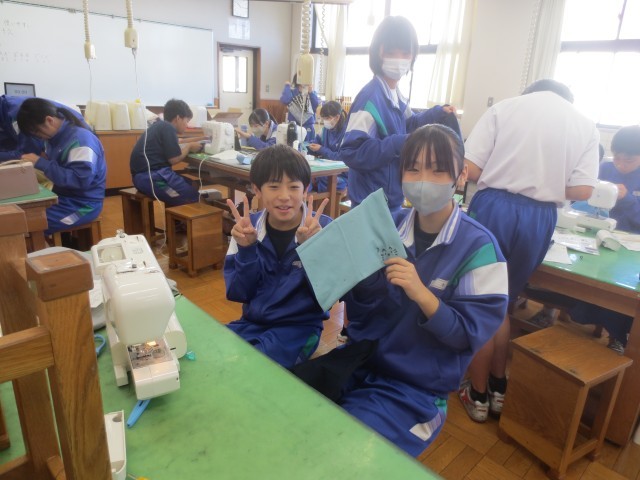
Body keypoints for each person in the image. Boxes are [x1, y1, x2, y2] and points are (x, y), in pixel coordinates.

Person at [296, 125, 508, 456]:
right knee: (288, 412)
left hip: (416, 390)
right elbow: (362, 312)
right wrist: (329, 258)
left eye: (437, 170)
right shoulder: (386, 226)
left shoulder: (481, 249)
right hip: (361, 363)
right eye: (413, 169)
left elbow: (468, 337)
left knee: (339, 451)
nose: (423, 180)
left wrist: (422, 294)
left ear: (461, 175)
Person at [458, 79, 600, 423]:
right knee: (503, 303)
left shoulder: (504, 108)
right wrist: (546, 181)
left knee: (480, 302)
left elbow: (470, 168)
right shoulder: (584, 124)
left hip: (495, 207)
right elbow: (584, 190)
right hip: (540, 217)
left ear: (529, 92)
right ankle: (499, 387)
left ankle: (477, 393)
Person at [224, 144, 331, 369]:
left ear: (306, 189)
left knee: (255, 367)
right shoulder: (246, 229)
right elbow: (238, 292)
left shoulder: (323, 229)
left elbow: (327, 298)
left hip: (299, 329)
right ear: (257, 190)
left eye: (293, 187)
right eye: (273, 186)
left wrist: (311, 251)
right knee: (213, 349)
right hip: (251, 323)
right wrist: (247, 250)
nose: (284, 197)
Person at [339, 16, 459, 212]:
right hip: (369, 204)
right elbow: (352, 151)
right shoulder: (370, 99)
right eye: (391, 52)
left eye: (405, 53)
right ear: (378, 53)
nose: (399, 59)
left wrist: (436, 114)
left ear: (412, 57)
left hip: (391, 199)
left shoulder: (397, 96)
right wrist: (397, 144)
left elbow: (410, 125)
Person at [16, 97, 106, 235]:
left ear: (49, 120)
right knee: (19, 216)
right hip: (62, 198)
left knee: (30, 225)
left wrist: (41, 163)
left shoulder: (81, 140)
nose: (39, 137)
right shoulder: (54, 138)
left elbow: (80, 181)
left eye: (37, 132)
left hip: (85, 205)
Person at [129, 99, 204, 207]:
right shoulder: (168, 128)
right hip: (154, 180)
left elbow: (179, 141)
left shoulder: (160, 126)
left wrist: (203, 138)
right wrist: (189, 147)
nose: (187, 125)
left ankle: (178, 216)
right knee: (192, 196)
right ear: (178, 118)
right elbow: (174, 159)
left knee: (193, 184)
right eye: (186, 121)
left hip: (143, 178)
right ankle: (216, 215)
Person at [1, 95, 88, 163]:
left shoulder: (20, 114)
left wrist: (41, 163)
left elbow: (30, 153)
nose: (39, 136)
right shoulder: (4, 112)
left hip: (75, 134)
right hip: (61, 136)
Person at [308, 100, 348, 192]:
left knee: (324, 178)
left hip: (342, 174)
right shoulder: (325, 130)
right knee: (305, 175)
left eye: (327, 118)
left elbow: (342, 157)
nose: (325, 121)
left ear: (337, 117)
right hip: (325, 169)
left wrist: (321, 149)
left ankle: (322, 196)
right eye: (324, 118)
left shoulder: (347, 133)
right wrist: (309, 147)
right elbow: (316, 142)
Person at [279, 74, 319, 142]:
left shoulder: (312, 93)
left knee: (308, 145)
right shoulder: (292, 92)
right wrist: (287, 86)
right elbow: (285, 100)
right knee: (293, 144)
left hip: (308, 125)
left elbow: (315, 106)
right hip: (294, 125)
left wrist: (311, 93)